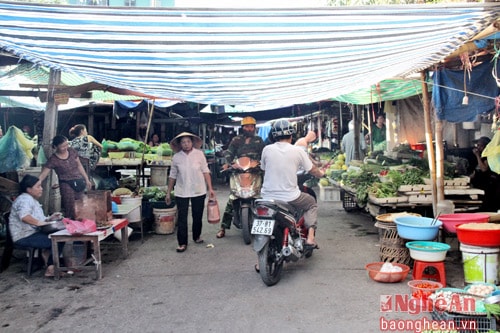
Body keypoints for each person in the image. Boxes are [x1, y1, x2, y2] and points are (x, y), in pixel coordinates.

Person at [260, 119, 324, 248]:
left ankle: (259, 260)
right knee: (311, 203)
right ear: (291, 136)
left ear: (273, 136)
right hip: (290, 197)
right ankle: (310, 238)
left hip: (267, 197)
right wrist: (321, 174)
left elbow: (264, 168)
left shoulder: (266, 149)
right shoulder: (297, 150)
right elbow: (312, 169)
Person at [216, 116, 265, 239]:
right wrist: (228, 162)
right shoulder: (236, 140)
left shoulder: (259, 140)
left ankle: (266, 226)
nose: (249, 128)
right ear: (242, 128)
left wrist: (263, 164)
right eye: (247, 126)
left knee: (263, 198)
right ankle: (223, 228)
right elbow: (229, 152)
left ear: (254, 127)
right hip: (239, 172)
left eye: (251, 126)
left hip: (255, 172)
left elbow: (264, 155)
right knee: (232, 198)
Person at [165, 132, 216, 253]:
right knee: (182, 217)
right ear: (180, 144)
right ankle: (182, 243)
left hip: (198, 189)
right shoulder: (177, 157)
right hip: (181, 191)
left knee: (197, 215)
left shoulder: (199, 155)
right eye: (183, 142)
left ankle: (196, 236)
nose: (186, 144)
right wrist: (168, 192)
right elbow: (172, 176)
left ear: (192, 142)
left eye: (188, 142)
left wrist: (211, 188)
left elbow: (205, 171)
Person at [8, 175, 65, 277]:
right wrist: (40, 223)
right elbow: (24, 217)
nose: (41, 189)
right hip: (24, 236)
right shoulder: (24, 199)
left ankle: (48, 260)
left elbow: (40, 220)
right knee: (58, 239)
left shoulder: (32, 200)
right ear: (29, 189)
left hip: (32, 234)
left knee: (59, 235)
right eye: (38, 186)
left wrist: (50, 218)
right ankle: (51, 269)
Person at [37, 135, 92, 219]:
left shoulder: (72, 151)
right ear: (55, 147)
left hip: (79, 181)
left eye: (66, 145)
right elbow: (44, 173)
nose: (65, 147)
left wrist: (86, 179)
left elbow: (79, 165)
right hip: (66, 183)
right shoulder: (53, 159)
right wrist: (37, 182)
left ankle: (84, 221)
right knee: (70, 206)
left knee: (82, 203)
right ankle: (72, 224)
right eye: (63, 146)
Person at [470, 136, 500, 212]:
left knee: (489, 205)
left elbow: (484, 168)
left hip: (490, 185)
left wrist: (477, 155)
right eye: (477, 145)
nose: (478, 148)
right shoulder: (481, 156)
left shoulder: (488, 156)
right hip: (481, 186)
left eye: (480, 145)